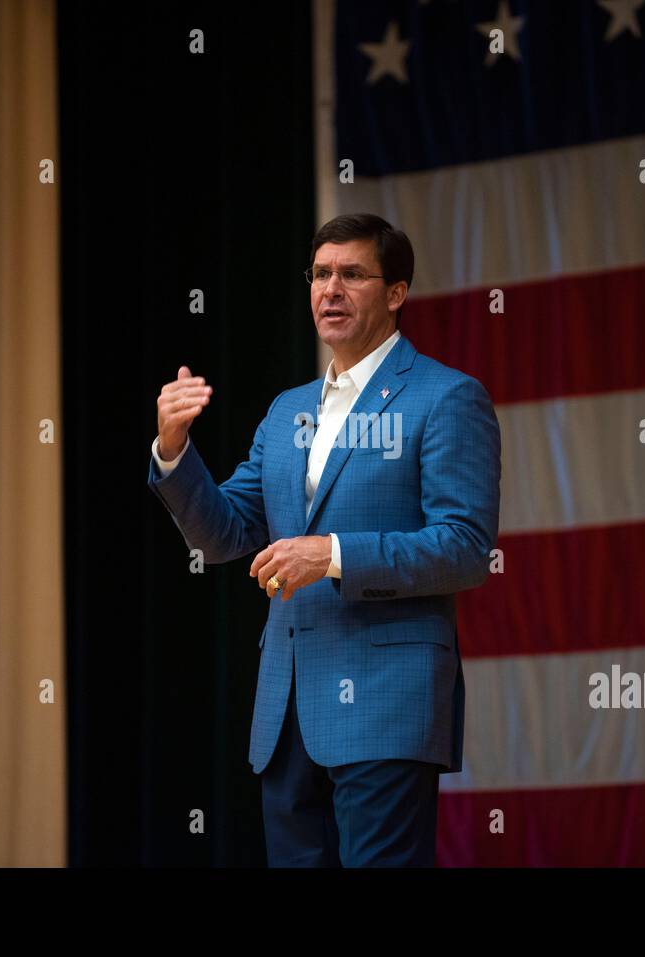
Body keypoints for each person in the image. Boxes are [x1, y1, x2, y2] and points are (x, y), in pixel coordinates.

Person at [147, 213, 501, 866]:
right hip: (286, 715)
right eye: (319, 274)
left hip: (386, 704)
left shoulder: (447, 398)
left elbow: (463, 546)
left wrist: (333, 553)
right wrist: (174, 451)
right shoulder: (288, 411)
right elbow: (224, 532)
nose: (330, 289)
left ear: (397, 292)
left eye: (352, 274)